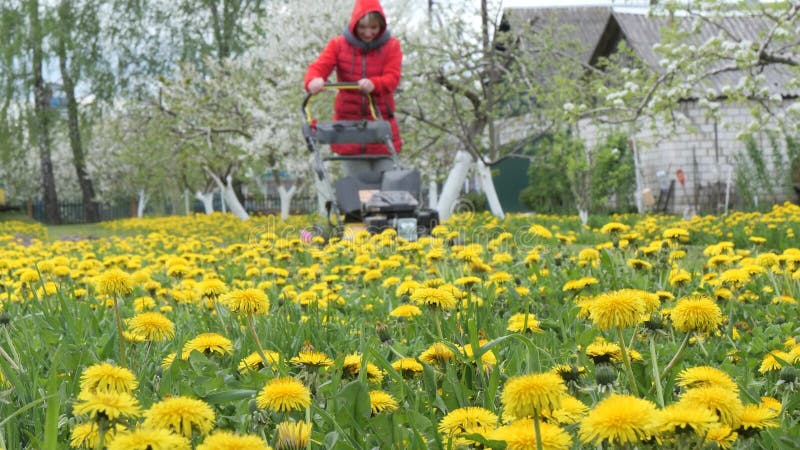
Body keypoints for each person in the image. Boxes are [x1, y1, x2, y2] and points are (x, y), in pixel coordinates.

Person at [304, 0, 402, 178]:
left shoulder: (392, 47)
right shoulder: (338, 45)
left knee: (389, 190)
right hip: (349, 132)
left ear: (381, 25)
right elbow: (318, 67)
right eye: (362, 27)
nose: (368, 33)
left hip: (381, 129)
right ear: (354, 24)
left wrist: (374, 84)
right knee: (358, 191)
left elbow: (392, 78)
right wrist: (314, 80)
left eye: (374, 27)